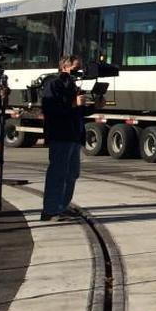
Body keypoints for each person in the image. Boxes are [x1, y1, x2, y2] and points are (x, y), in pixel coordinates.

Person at [40, 55, 94, 221]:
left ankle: (61, 206)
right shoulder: (53, 83)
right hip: (61, 134)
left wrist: (93, 107)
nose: (78, 73)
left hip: (74, 135)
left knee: (72, 173)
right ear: (64, 66)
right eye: (75, 69)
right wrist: (73, 104)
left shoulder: (72, 84)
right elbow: (50, 109)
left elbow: (77, 111)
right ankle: (50, 210)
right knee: (58, 173)